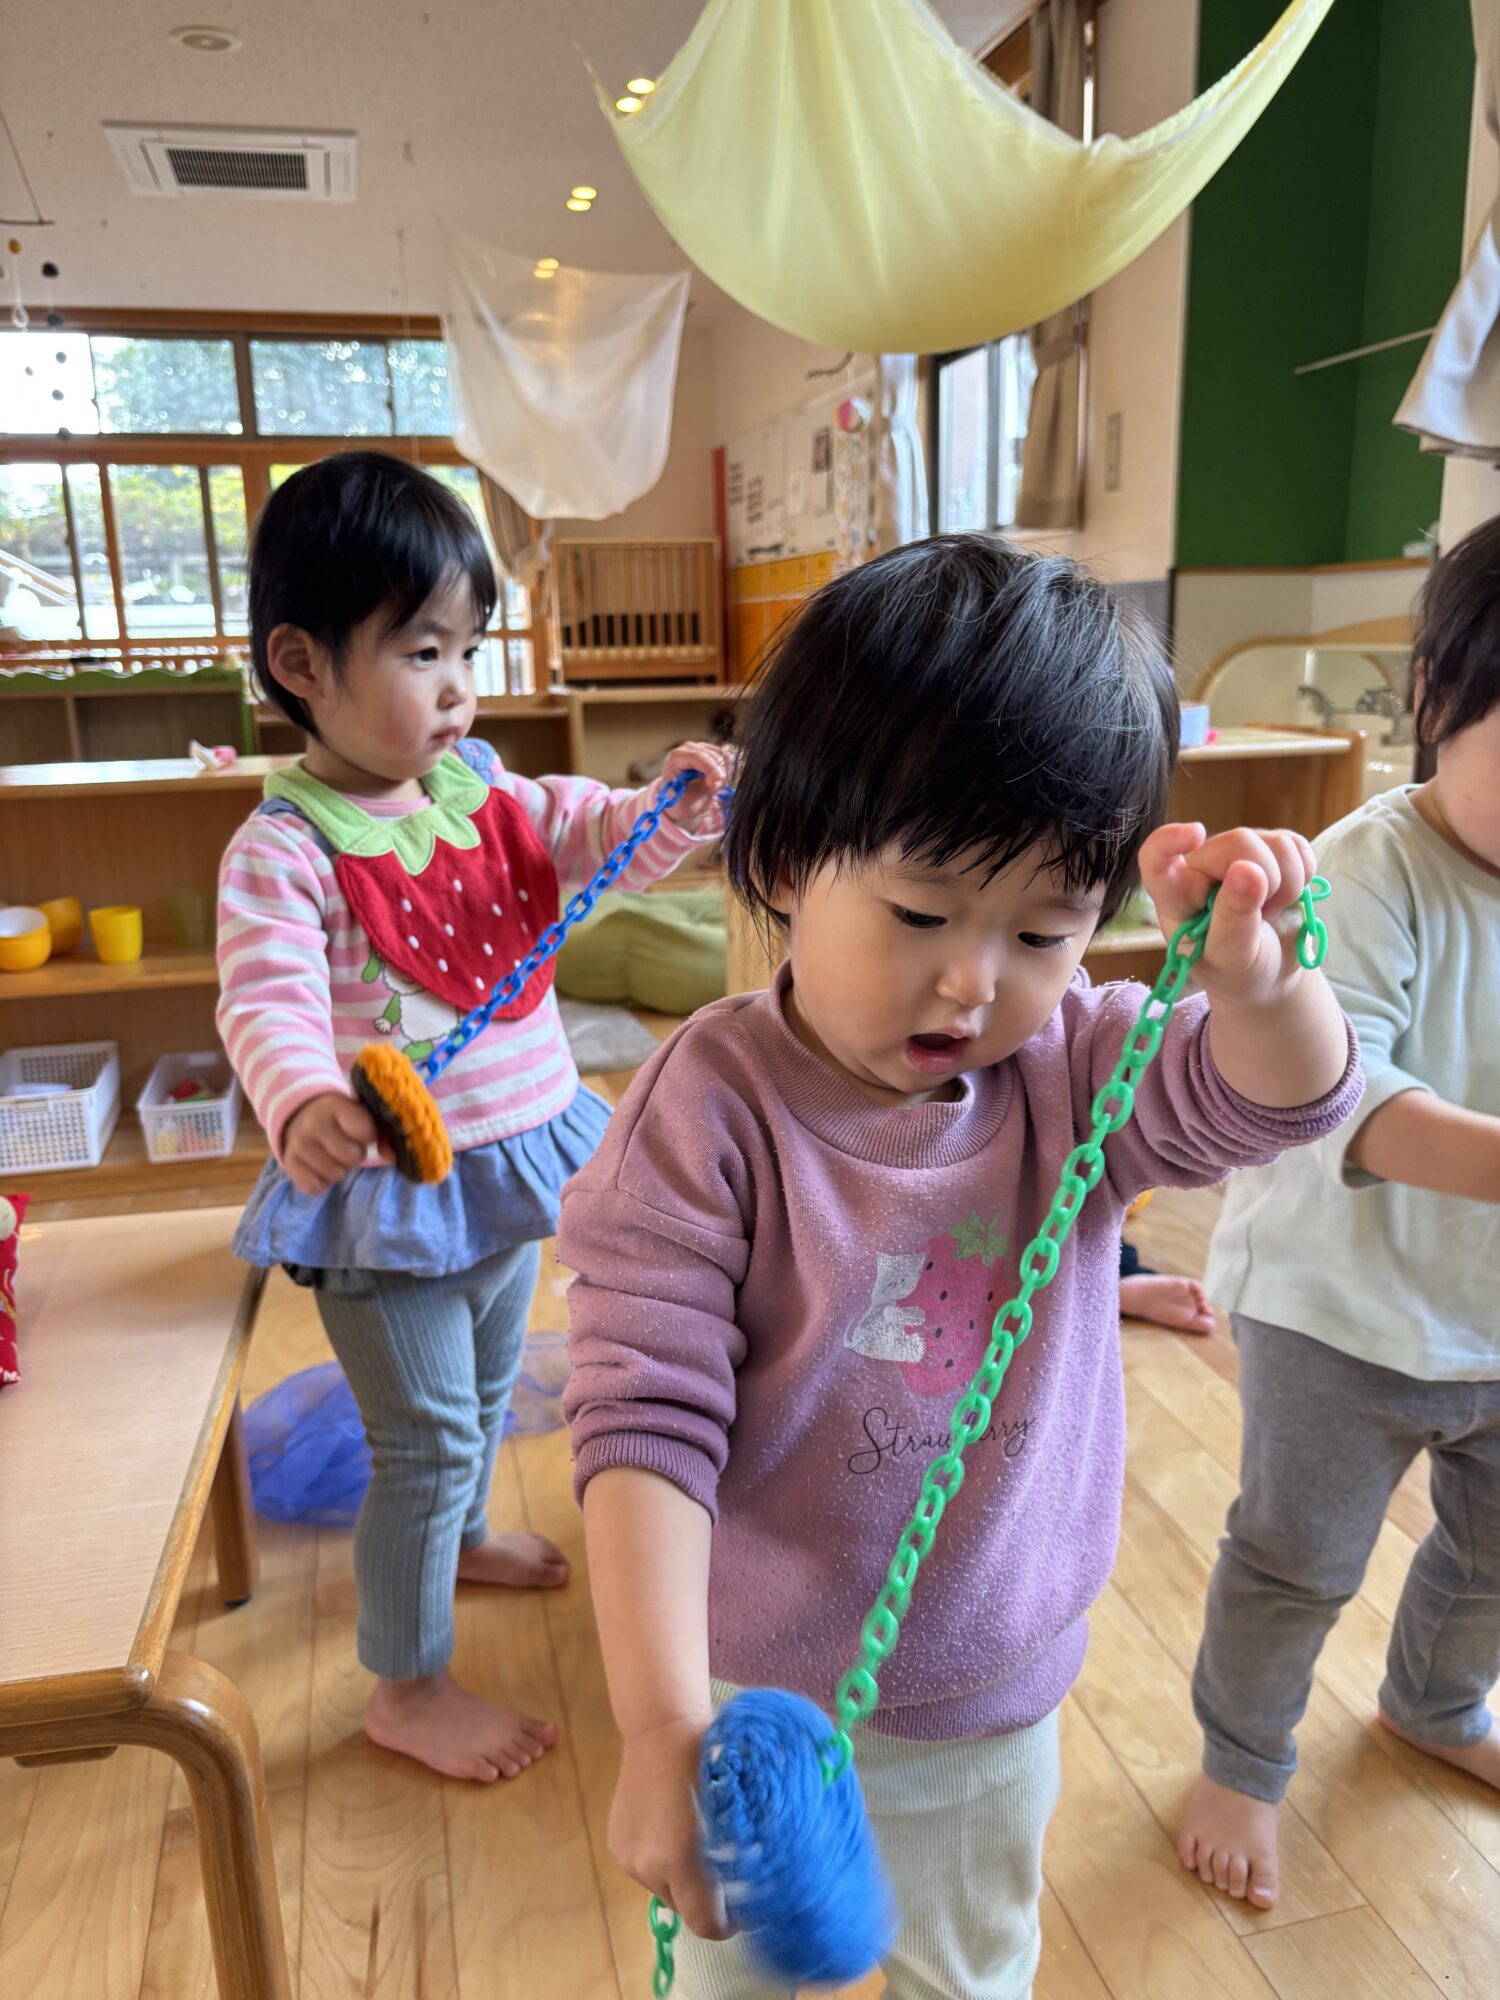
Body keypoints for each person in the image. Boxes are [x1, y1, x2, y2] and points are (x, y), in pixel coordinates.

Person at [560, 535, 1360, 2000]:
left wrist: (1264, 987)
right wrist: (663, 1720)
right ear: (787, 864)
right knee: (745, 1979)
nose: (972, 980)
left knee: (972, 1968)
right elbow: (642, 1416)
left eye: (1044, 931)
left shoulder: (1076, 1065)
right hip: (755, 1693)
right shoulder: (708, 1111)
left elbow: (1279, 1103)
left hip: (994, 1689)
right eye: (922, 914)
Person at [216, 450, 729, 1783]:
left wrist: (666, 808)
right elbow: (265, 996)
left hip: (511, 1171)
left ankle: (456, 1543)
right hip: (386, 1204)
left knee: (491, 1396)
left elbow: (600, 831)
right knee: (430, 1439)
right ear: (303, 663)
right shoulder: (286, 847)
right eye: (422, 652)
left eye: (469, 650)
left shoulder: (486, 791)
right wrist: (301, 1095)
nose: (459, 686)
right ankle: (406, 1683)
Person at [1179, 517, 1500, 1910]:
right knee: (1296, 1558)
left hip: (1489, 1313)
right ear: (1436, 698)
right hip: (1335, 1311)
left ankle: (1436, 1700)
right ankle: (1241, 1760)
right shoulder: (1370, 871)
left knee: (1494, 1557)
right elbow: (1348, 1102)